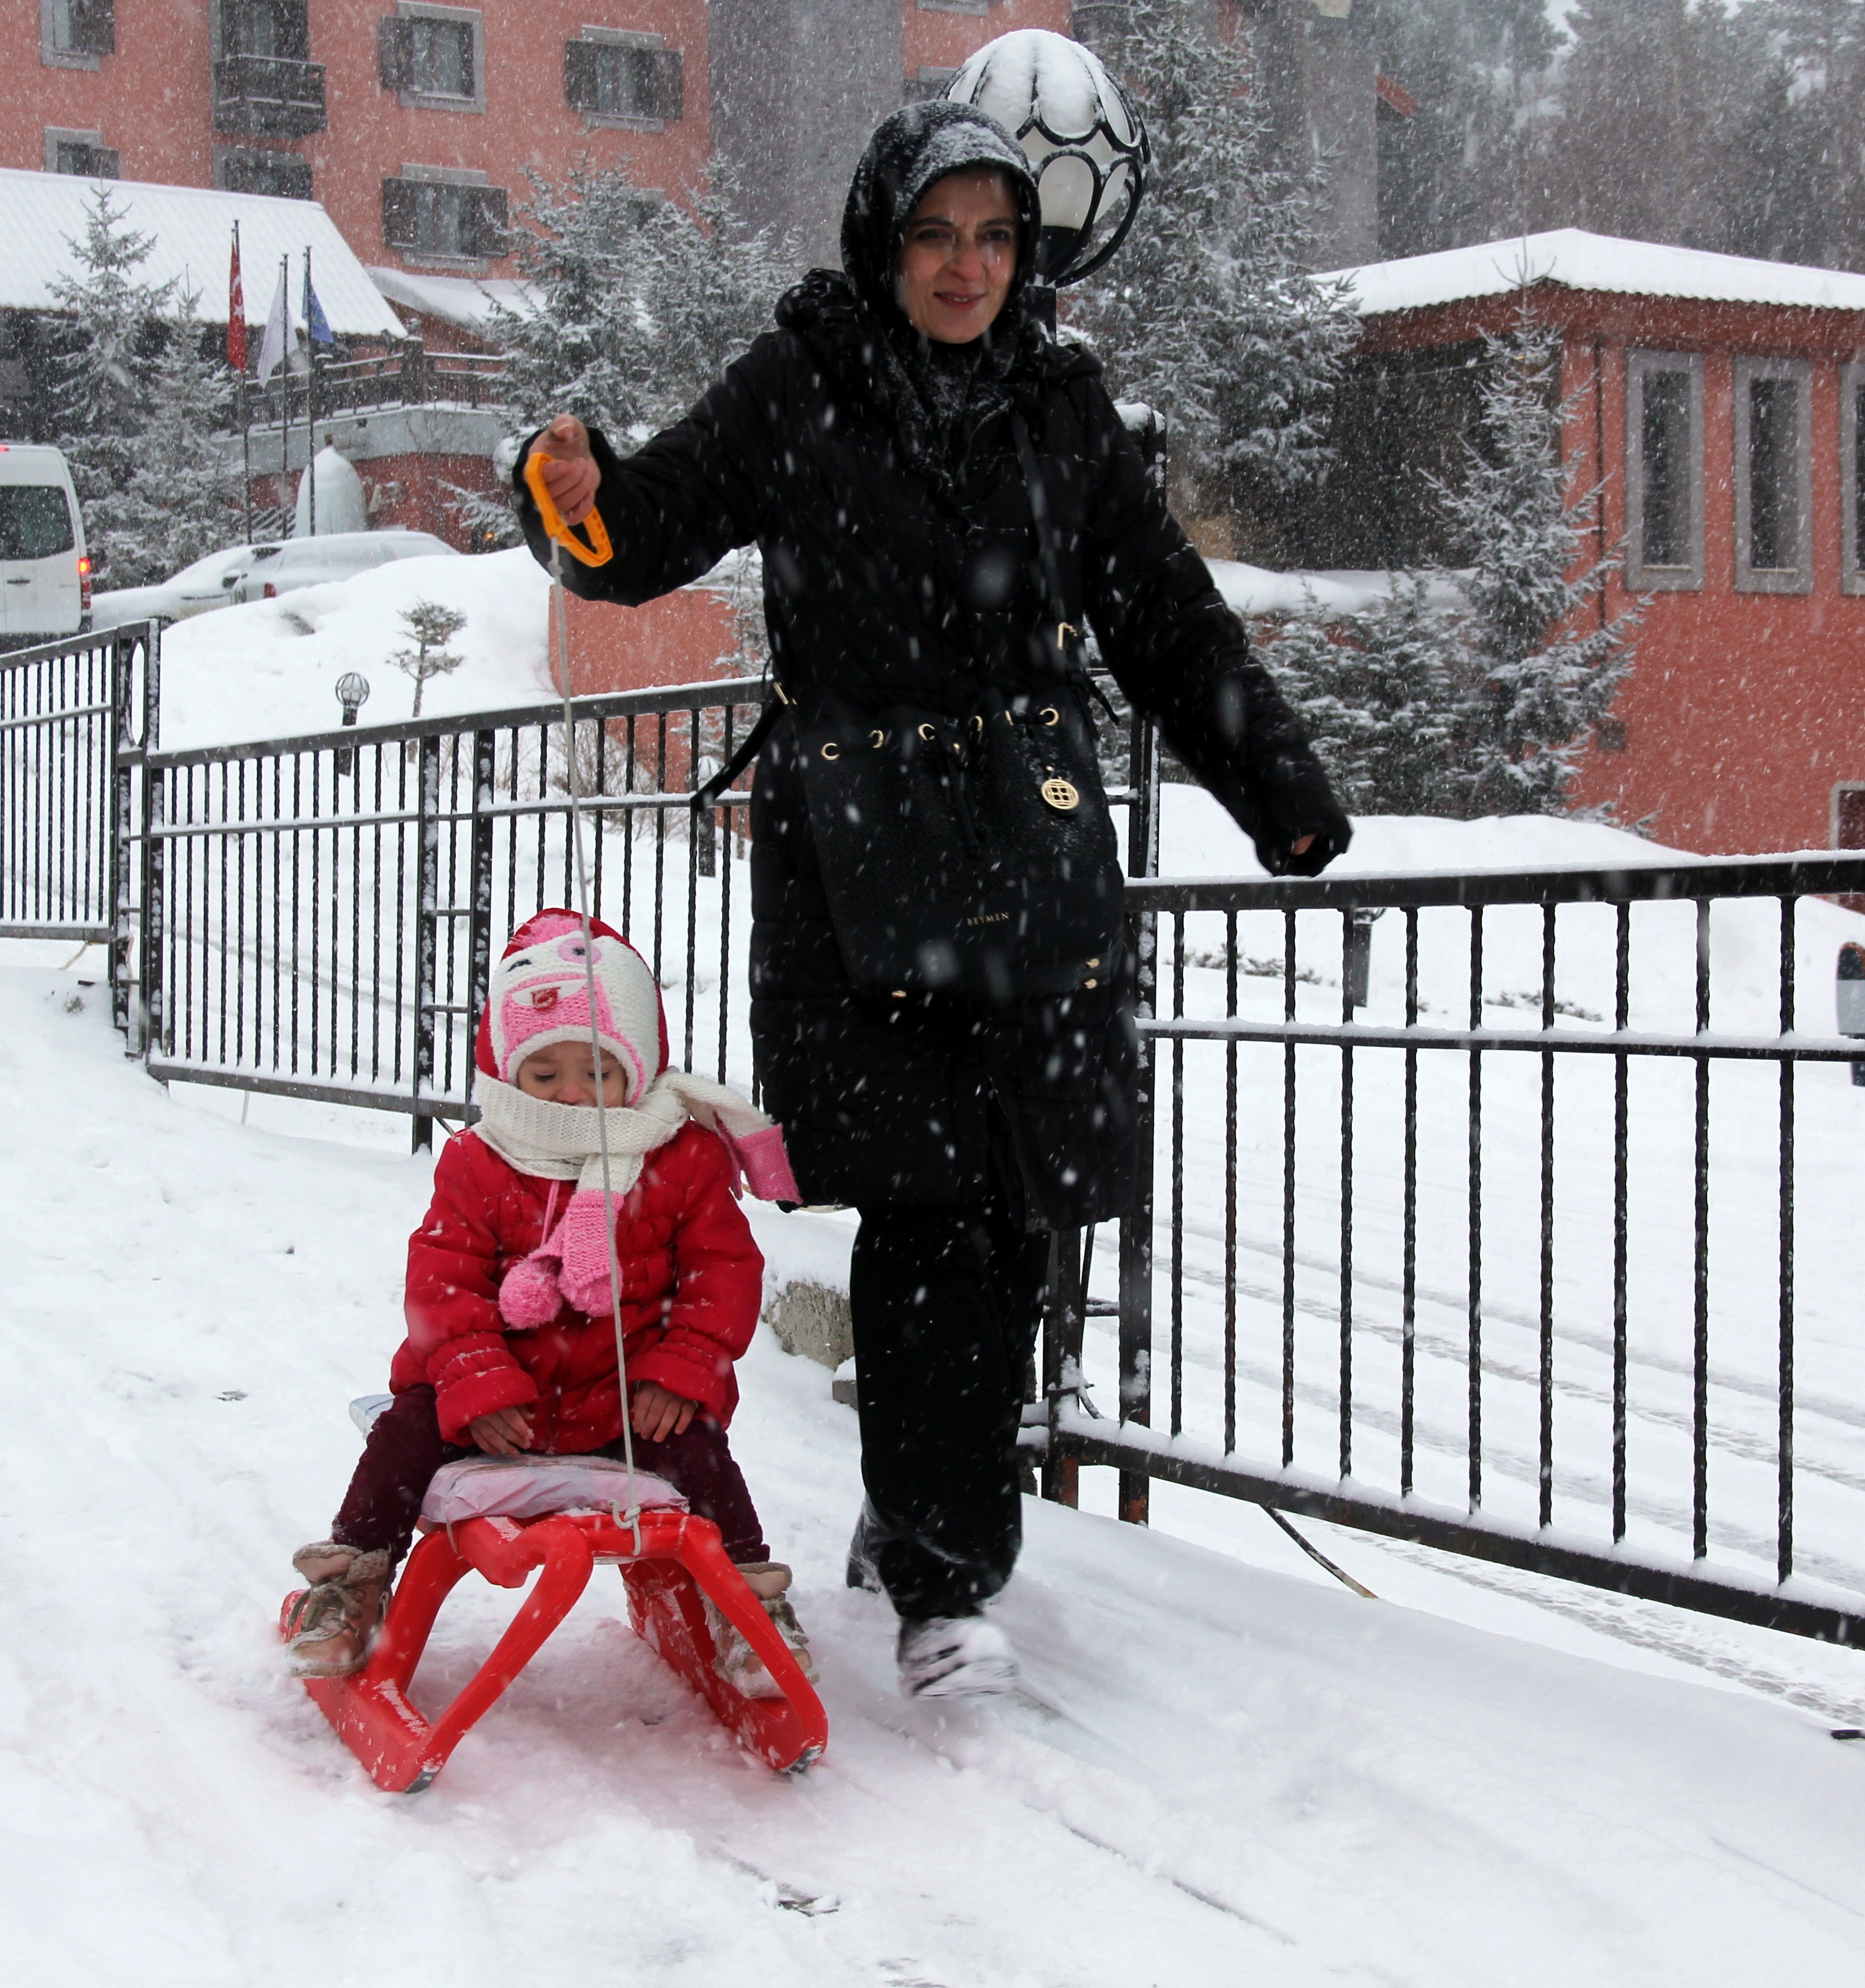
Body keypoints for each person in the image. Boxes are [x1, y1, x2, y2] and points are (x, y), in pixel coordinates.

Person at [513, 101, 1351, 1698]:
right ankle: (944, 1582)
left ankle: (917, 1516)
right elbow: (640, 535)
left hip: (1025, 862)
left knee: (1015, 1203)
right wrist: (569, 492)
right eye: (936, 234)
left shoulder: (1061, 406)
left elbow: (1164, 613)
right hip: (865, 866)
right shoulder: (801, 386)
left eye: (994, 238)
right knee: (931, 1211)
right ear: (881, 242)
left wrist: (1283, 791)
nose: (966, 267)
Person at [284, 910, 814, 1694]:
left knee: (701, 1452)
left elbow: (721, 1267)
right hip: (498, 1402)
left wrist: (686, 1363)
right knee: (404, 1432)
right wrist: (476, 1380)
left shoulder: (682, 1155)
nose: (572, 1094)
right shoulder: (479, 1160)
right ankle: (354, 1582)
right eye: (545, 1074)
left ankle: (746, 1601)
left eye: (597, 1072)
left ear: (634, 1067)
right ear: (509, 1073)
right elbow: (443, 1280)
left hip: (626, 1398)